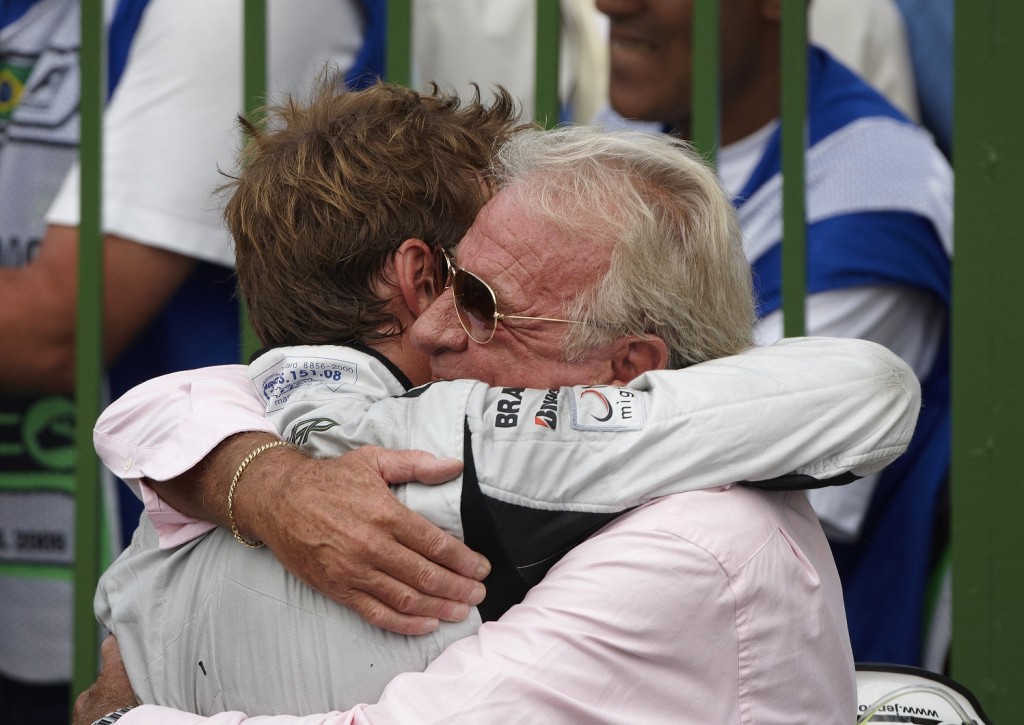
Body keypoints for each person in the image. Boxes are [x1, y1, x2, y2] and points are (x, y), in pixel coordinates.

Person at [84, 102, 918, 721]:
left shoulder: (692, 545)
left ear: (628, 372)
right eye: (448, 280)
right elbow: (190, 401)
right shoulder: (380, 437)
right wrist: (260, 479)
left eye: (479, 300)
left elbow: (870, 392)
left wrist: (130, 716)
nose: (432, 326)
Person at [0, 2, 491, 722]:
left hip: (96, 560)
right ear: (420, 281)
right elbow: (158, 411)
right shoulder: (200, 416)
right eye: (489, 279)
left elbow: (58, 328)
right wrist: (261, 482)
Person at [592, 0, 952, 667]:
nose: (608, 5)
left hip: (774, 656)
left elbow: (738, 482)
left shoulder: (880, 187)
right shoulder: (639, 118)